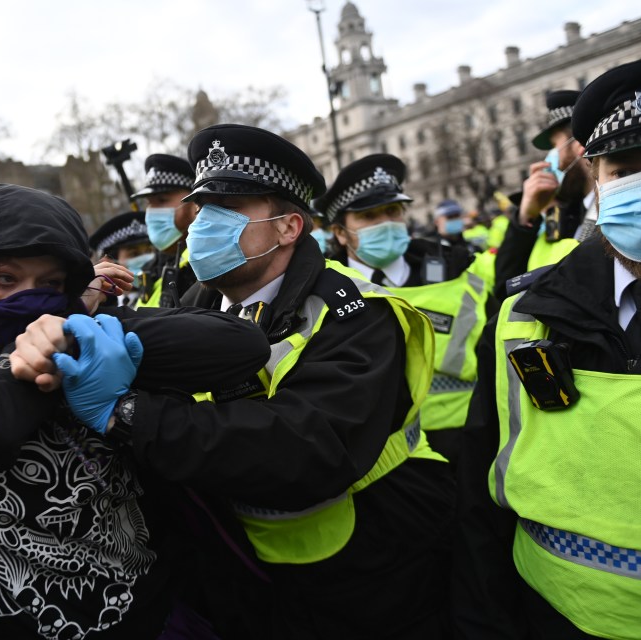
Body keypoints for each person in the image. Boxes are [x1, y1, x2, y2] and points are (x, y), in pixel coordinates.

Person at [44, 125, 454, 638]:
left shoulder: (358, 312)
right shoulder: (193, 305)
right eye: (200, 208)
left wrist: (129, 415)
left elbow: (307, 446)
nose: (202, 223)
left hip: (365, 564)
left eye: (228, 208)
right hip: (239, 561)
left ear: (288, 228)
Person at [0, 183, 270, 639]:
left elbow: (241, 344)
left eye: (49, 285)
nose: (28, 298)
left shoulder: (84, 329)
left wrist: (75, 326)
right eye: (5, 279)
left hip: (149, 618)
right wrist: (33, 348)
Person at [454, 56, 641, 639]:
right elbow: (485, 487)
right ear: (595, 176)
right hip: (548, 614)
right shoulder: (525, 315)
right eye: (626, 170)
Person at [318, 153, 496, 463]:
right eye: (369, 216)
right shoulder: (322, 291)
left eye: (393, 211)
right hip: (376, 457)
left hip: (468, 437)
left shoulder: (462, 269)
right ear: (340, 232)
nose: (386, 223)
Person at [493, 90, 597, 298]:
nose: (551, 160)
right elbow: (507, 286)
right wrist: (525, 217)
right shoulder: (563, 212)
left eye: (554, 147)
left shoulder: (609, 210)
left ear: (579, 146)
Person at [130, 154, 199, 309]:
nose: (152, 212)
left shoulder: (203, 265)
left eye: (162, 200)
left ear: (195, 203)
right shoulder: (152, 269)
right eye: (149, 203)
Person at [87, 211, 153, 307]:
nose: (147, 259)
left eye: (149, 251)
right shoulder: (98, 305)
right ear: (109, 262)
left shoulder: (170, 290)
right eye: (134, 254)